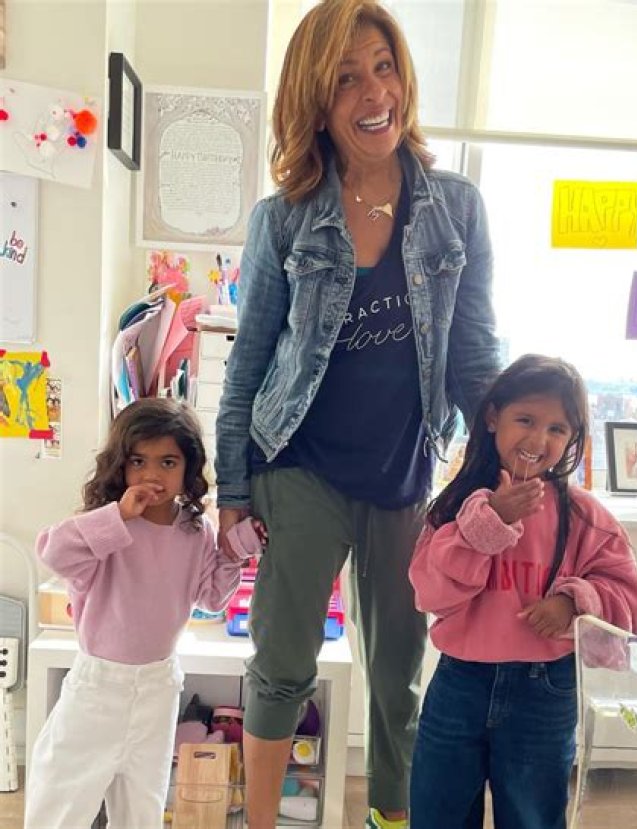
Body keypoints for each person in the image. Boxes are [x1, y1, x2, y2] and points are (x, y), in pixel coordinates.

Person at [214, 1, 499, 826]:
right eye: (345, 79)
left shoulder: (457, 208)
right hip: (299, 466)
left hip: (404, 474)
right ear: (315, 101)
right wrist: (233, 489)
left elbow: (474, 358)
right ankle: (261, 820)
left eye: (383, 68)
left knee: (398, 676)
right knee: (282, 664)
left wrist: (512, 460)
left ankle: (389, 817)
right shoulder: (284, 218)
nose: (374, 93)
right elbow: (249, 363)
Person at [408, 354, 637, 829]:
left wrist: (574, 602)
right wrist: (488, 524)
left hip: (546, 690)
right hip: (460, 682)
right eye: (525, 420)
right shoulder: (455, 505)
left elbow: (627, 597)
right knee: (438, 812)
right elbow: (430, 594)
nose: (539, 440)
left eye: (557, 429)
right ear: (492, 417)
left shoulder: (585, 516)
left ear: (573, 438)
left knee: (533, 816)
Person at [24, 398, 263, 829]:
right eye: (139, 461)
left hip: (157, 690)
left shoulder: (195, 530)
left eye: (167, 462)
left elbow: (211, 599)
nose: (152, 474)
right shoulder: (107, 525)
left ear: (187, 468)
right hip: (97, 690)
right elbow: (53, 553)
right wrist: (118, 514)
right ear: (121, 465)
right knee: (59, 806)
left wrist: (234, 551)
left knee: (142, 810)